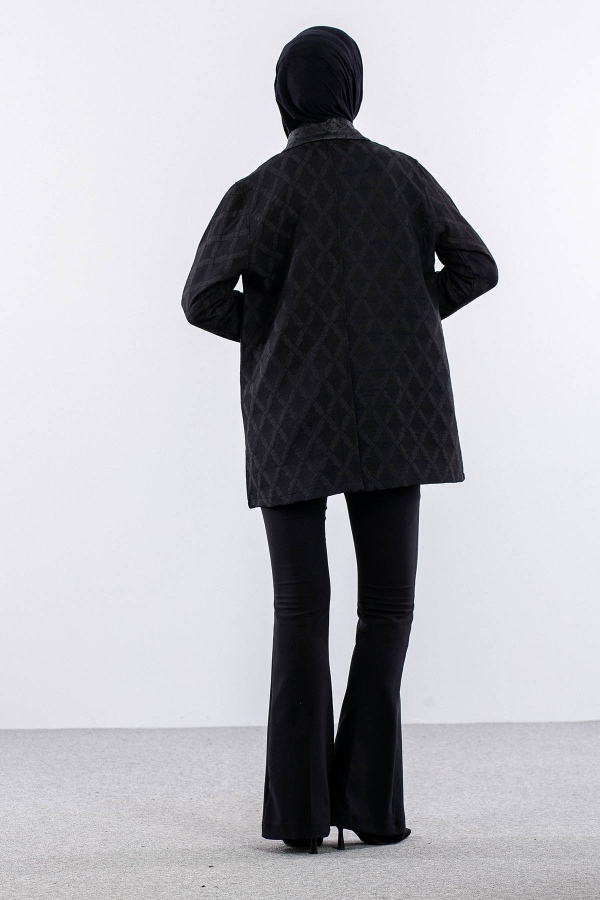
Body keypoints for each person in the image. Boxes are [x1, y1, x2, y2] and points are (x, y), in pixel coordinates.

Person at [181, 25, 499, 855]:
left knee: (299, 608)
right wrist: (406, 314)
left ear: (284, 96)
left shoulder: (262, 187)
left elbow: (202, 297)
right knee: (387, 608)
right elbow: (476, 266)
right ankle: (369, 805)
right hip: (399, 412)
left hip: (290, 416)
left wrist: (281, 331)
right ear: (353, 90)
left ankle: (299, 819)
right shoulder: (402, 174)